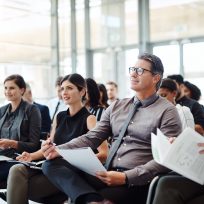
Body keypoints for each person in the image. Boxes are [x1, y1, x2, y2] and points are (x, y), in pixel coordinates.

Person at [41, 53, 182, 204]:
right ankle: (92, 200)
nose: (133, 74)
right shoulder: (117, 106)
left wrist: (126, 177)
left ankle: (89, 198)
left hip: (136, 181)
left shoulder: (168, 111)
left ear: (156, 78)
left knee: (75, 195)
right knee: (50, 164)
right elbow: (92, 137)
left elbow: (165, 158)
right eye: (132, 69)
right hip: (107, 172)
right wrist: (59, 149)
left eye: (140, 70)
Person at [5, 73, 108, 204]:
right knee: (16, 169)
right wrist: (31, 156)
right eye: (62, 88)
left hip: (72, 170)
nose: (64, 92)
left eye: (69, 88)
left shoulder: (90, 119)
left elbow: (104, 154)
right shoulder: (59, 117)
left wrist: (71, 159)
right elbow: (50, 148)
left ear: (82, 91)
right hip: (53, 165)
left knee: (20, 187)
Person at [0, 74, 41, 183]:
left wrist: (12, 143)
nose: (8, 91)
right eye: (5, 88)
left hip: (19, 159)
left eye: (12, 88)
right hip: (2, 157)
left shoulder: (32, 110)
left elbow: (34, 145)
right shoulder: (2, 111)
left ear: (22, 90)